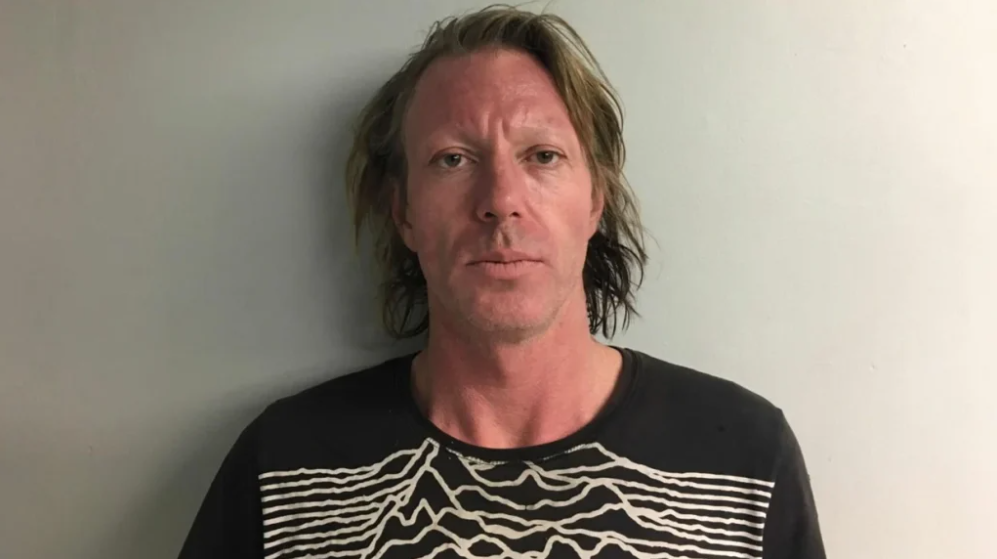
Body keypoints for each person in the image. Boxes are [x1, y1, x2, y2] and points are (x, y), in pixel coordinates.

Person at [179, 6, 825, 559]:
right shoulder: (286, 471)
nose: (500, 201)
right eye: (453, 160)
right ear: (403, 212)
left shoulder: (743, 460)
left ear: (594, 201)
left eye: (542, 156)